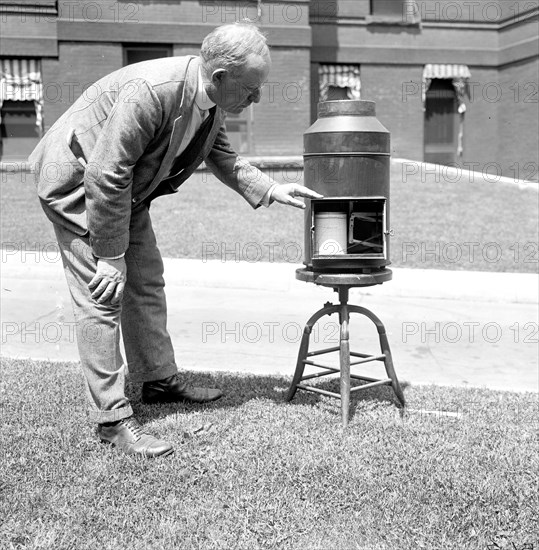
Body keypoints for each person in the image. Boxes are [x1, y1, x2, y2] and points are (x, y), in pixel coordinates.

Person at [29, 22, 321, 458]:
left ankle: (158, 380)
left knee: (146, 279)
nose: (257, 98)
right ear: (220, 77)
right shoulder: (152, 91)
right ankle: (112, 420)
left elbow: (221, 156)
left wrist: (272, 189)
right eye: (251, 89)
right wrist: (110, 256)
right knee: (102, 295)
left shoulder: (213, 99)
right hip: (77, 184)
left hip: (125, 190)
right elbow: (106, 173)